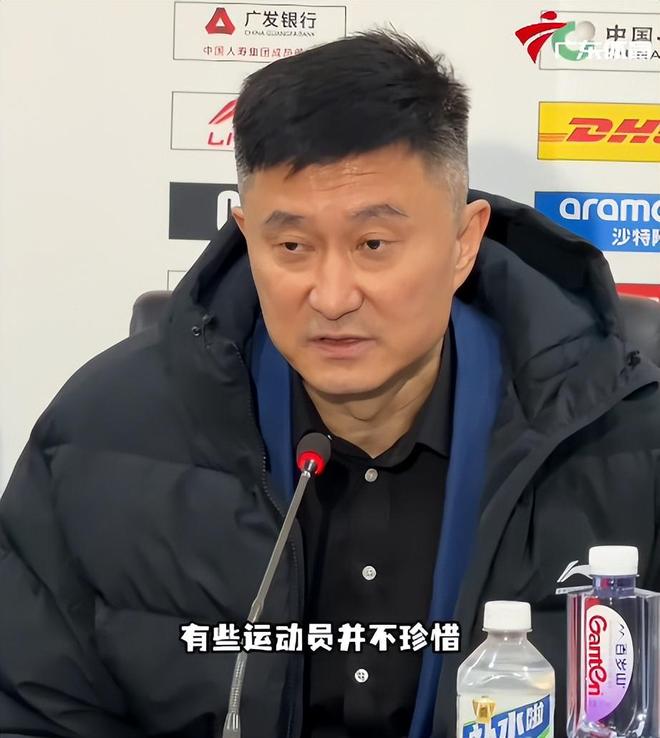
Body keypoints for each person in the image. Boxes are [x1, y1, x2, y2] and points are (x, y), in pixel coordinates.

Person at [1, 29, 659, 738]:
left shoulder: (624, 443)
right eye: (292, 246)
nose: (333, 296)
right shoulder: (102, 436)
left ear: (463, 242)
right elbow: (30, 714)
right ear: (246, 235)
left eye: (373, 245)